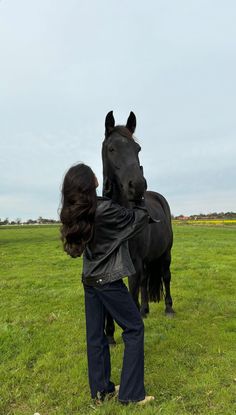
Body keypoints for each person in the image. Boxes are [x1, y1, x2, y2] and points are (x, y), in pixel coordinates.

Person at [60, 163, 155, 405]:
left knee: (95, 337)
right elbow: (138, 219)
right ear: (89, 182)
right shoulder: (104, 210)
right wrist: (141, 195)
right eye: (91, 172)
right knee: (134, 328)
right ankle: (132, 395)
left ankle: (101, 392)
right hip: (108, 281)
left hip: (89, 280)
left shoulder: (80, 211)